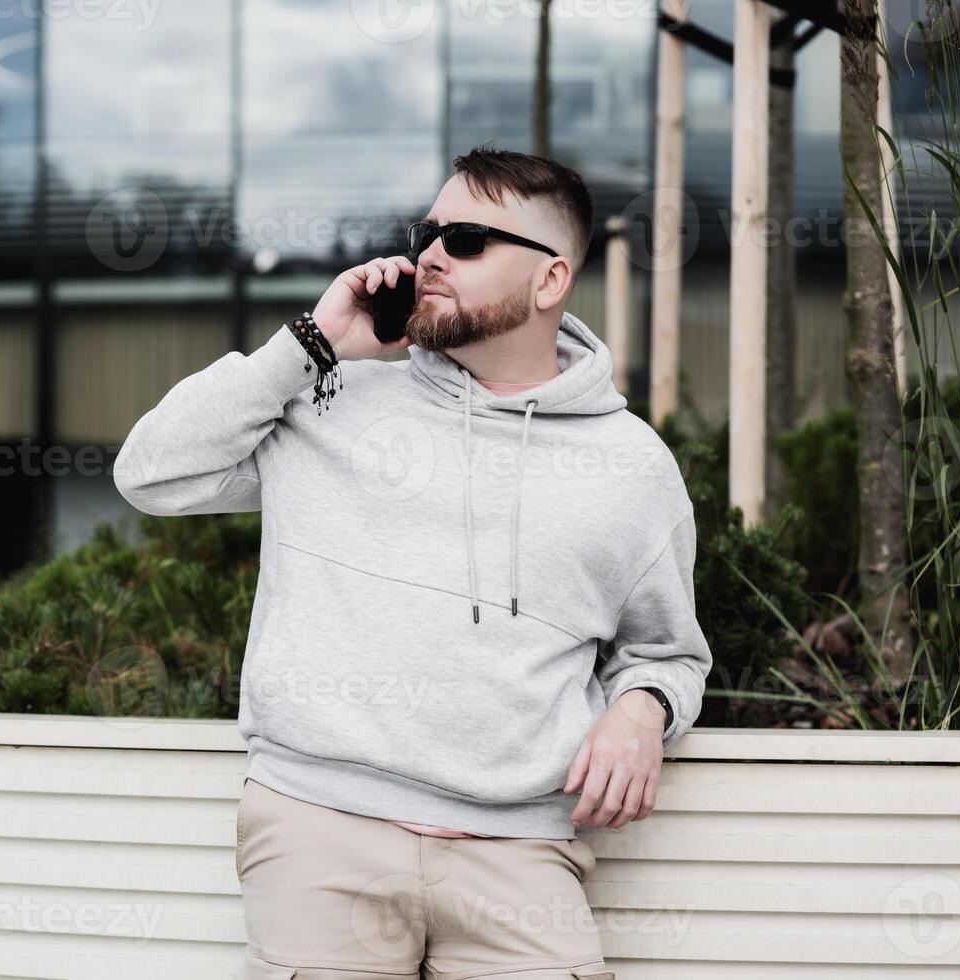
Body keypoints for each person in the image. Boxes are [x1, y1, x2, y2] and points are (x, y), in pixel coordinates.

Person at [113, 145, 712, 980]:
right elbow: (151, 474)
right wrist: (311, 343)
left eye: (466, 239)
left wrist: (642, 711)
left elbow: (666, 652)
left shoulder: (633, 467)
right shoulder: (332, 399)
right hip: (324, 829)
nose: (430, 254)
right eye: (427, 231)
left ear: (550, 281)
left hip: (520, 854)